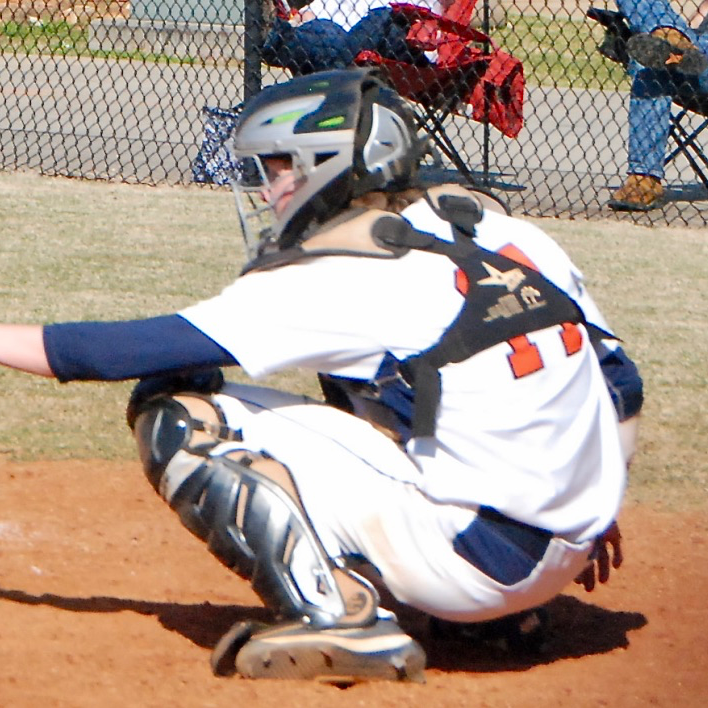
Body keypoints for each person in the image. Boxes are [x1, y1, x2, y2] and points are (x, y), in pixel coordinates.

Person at [0, 68, 641, 683]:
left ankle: (337, 616)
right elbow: (619, 381)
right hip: (564, 549)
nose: (265, 189)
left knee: (176, 404)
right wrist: (594, 503)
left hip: (467, 567)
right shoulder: (503, 232)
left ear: (329, 168)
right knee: (370, 391)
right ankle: (494, 619)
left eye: (280, 168)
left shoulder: (344, 275)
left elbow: (115, 353)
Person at [609, 0, 708, 211]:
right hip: (698, 54)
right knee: (656, 56)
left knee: (657, 56)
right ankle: (671, 36)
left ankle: (644, 178)